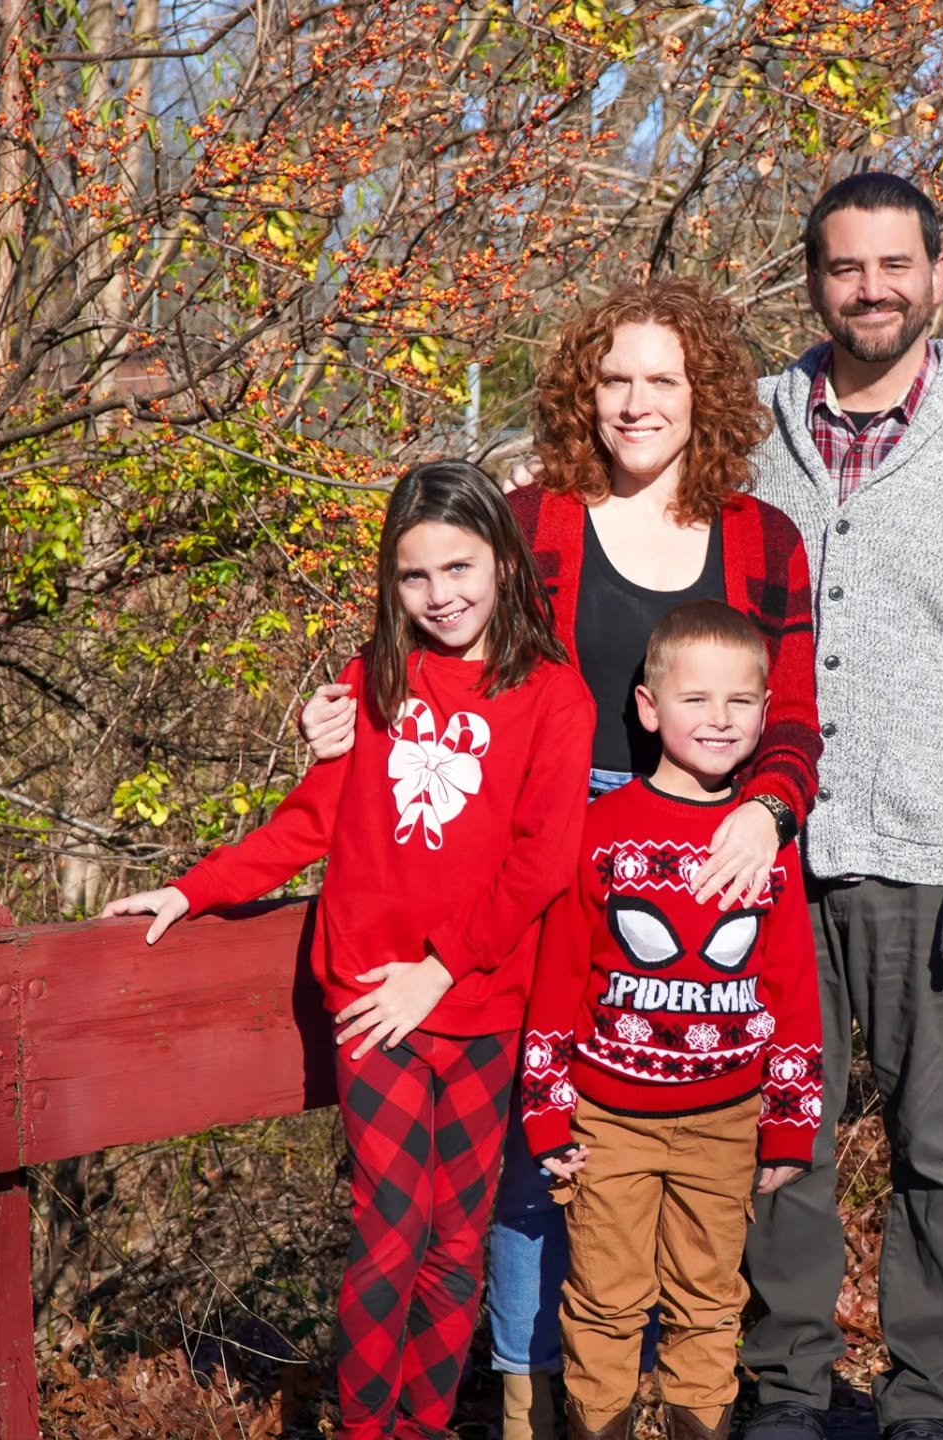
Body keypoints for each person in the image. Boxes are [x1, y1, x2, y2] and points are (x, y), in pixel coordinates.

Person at [298, 280, 823, 1440]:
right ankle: (540, 1400)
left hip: (698, 845)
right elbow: (430, 632)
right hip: (534, 844)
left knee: (686, 1128)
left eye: (664, 380)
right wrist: (337, 711)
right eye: (616, 379)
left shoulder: (761, 538)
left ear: (708, 396)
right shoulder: (536, 517)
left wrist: (770, 812)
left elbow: (789, 710)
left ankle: (687, 1394)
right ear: (586, 391)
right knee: (542, 1148)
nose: (637, 403)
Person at [100, 460, 596, 1440]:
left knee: (457, 1240)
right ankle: (362, 1427)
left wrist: (444, 970)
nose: (441, 595)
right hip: (374, 999)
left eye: (459, 568)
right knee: (387, 1231)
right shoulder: (376, 680)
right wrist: (196, 888)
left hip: (484, 1000)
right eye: (414, 577)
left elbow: (542, 861)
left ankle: (422, 1426)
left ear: (503, 559)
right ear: (389, 583)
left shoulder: (553, 696)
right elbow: (308, 824)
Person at [736, 174, 943, 1440]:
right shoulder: (758, 427)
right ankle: (787, 1390)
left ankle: (923, 1398)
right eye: (842, 268)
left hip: (928, 859)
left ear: (941, 272)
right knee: (785, 1141)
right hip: (769, 847)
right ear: (812, 280)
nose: (868, 289)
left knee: (934, 1150)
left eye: (892, 266)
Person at [521, 600, 823, 1440]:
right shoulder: (602, 832)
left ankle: (702, 1425)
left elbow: (791, 989)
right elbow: (558, 983)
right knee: (607, 1301)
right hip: (606, 1117)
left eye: (739, 703)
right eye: (695, 700)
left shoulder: (767, 846)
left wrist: (791, 1123)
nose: (719, 720)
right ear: (650, 710)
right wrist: (548, 1115)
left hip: (725, 1120)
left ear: (766, 714)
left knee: (708, 1299)